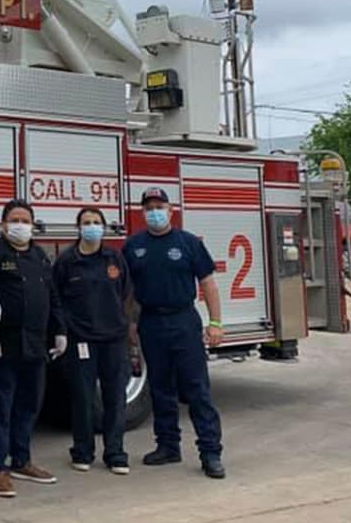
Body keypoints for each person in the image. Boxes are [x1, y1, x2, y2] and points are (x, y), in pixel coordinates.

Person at [123, 187, 226, 479]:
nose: (154, 212)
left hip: (183, 321)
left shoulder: (189, 243)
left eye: (159, 207)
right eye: (149, 208)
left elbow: (208, 284)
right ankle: (168, 446)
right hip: (151, 322)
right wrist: (130, 323)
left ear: (171, 211)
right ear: (142, 213)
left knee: (196, 389)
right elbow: (128, 291)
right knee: (160, 389)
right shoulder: (134, 246)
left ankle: (210, 453)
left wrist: (216, 323)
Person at [0, 199, 66, 499]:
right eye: (14, 220)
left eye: (25, 220)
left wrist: (60, 331)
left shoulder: (39, 256)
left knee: (29, 405)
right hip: (4, 345)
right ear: (3, 224)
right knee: (2, 407)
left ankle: (22, 461)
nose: (20, 225)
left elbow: (52, 296)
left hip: (36, 345)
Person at [53, 207, 136, 476]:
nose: (92, 227)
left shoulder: (115, 258)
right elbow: (56, 299)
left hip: (114, 339)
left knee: (115, 398)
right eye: (86, 222)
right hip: (81, 340)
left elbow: (126, 293)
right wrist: (63, 331)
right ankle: (82, 451)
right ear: (78, 228)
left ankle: (115, 454)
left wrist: (126, 328)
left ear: (104, 226)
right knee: (82, 398)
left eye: (96, 222)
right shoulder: (67, 261)